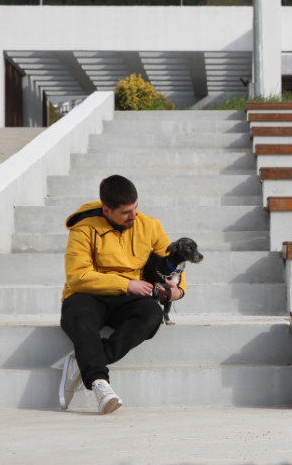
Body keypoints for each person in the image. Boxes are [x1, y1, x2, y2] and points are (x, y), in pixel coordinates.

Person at [58, 174, 185, 414]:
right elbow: (77, 276)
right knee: (79, 315)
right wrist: (126, 284)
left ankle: (83, 361)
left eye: (135, 208)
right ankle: (99, 384)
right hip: (88, 294)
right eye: (126, 212)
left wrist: (177, 290)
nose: (134, 216)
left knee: (150, 314)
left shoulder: (150, 226)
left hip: (128, 298)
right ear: (107, 210)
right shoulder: (83, 228)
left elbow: (171, 263)